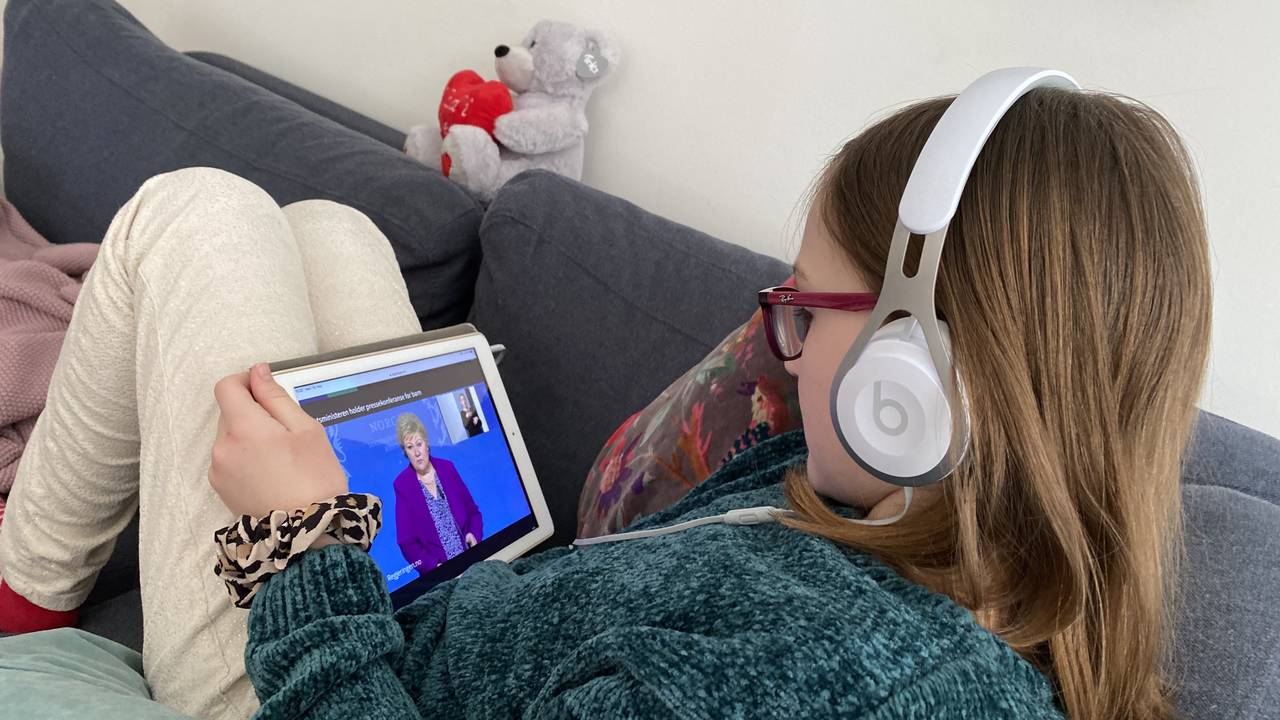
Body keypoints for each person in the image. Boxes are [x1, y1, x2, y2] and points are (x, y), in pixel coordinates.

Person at [0, 78, 1210, 720]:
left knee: (198, 214)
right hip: (439, 609)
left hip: (315, 672)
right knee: (332, 232)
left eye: (809, 309)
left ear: (918, 386)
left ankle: (23, 607)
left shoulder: (835, 686)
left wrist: (309, 553)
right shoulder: (915, 514)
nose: (780, 350)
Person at [391, 412, 482, 572]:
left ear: (426, 443)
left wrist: (473, 534)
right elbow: (407, 543)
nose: (417, 452)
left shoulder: (448, 468)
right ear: (405, 452)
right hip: (440, 576)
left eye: (419, 444)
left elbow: (473, 512)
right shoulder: (402, 485)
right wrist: (433, 566)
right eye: (410, 447)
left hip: (472, 563)